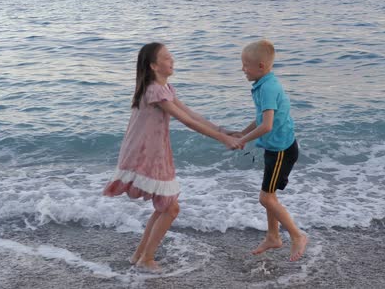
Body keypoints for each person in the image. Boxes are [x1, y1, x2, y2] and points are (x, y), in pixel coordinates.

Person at [103, 42, 241, 271]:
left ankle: (139, 256)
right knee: (171, 208)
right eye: (167, 58)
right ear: (154, 65)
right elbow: (186, 122)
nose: (172, 61)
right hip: (145, 153)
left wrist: (222, 129)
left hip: (155, 151)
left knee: (165, 208)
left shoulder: (164, 88)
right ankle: (146, 259)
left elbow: (191, 113)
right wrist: (222, 139)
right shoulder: (154, 90)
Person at [224, 39, 308, 262]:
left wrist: (242, 142)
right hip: (275, 148)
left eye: (245, 65)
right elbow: (261, 117)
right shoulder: (264, 84)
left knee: (266, 198)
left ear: (261, 66)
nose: (242, 69)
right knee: (269, 195)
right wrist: (242, 133)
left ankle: (297, 235)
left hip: (282, 151)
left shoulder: (269, 87)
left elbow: (267, 126)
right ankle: (273, 236)